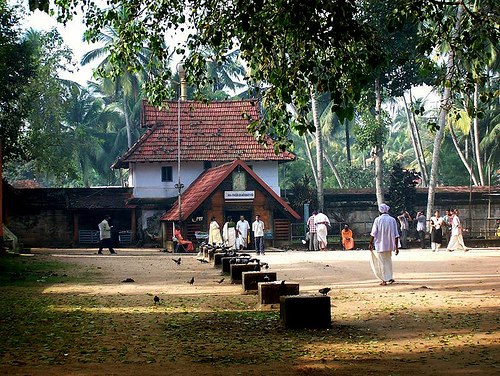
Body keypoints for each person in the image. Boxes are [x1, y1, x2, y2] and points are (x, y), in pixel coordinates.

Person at [368, 203, 399, 286]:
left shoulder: (377, 220)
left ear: (380, 211)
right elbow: (396, 234)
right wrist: (396, 247)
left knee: (382, 262)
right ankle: (389, 277)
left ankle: (384, 279)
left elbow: (373, 233)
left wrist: (370, 243)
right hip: (390, 245)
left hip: (380, 245)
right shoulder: (392, 220)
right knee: (388, 261)